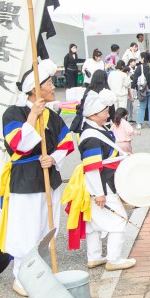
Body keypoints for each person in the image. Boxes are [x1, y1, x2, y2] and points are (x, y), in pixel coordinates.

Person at [0, 60, 75, 296]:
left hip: (48, 177)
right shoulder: (14, 112)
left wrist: (53, 158)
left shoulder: (52, 115)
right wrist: (32, 116)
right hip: (25, 181)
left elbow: (67, 142)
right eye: (49, 83)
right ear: (34, 89)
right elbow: (16, 145)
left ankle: (41, 272)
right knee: (26, 228)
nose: (53, 86)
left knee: (45, 227)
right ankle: (21, 277)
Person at [62, 89, 136, 272]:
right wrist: (99, 193)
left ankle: (94, 257)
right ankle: (114, 259)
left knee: (93, 223)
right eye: (104, 111)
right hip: (101, 186)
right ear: (93, 115)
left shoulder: (95, 129)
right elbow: (92, 167)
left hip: (98, 185)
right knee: (119, 220)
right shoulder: (91, 137)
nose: (108, 113)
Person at [132, 52, 150, 129]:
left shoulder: (140, 67)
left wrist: (133, 88)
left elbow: (134, 78)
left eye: (141, 57)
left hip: (143, 89)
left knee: (142, 106)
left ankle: (139, 123)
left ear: (143, 58)